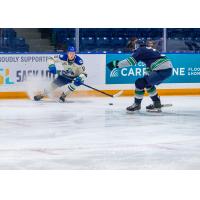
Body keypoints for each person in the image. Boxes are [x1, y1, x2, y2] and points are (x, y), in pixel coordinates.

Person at [107, 39, 173, 112]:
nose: (132, 49)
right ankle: (156, 104)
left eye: (132, 46)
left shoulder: (140, 50)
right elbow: (150, 66)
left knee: (139, 83)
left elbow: (130, 61)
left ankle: (137, 104)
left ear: (136, 45)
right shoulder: (148, 50)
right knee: (147, 84)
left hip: (161, 69)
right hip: (167, 70)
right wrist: (146, 77)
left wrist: (116, 64)